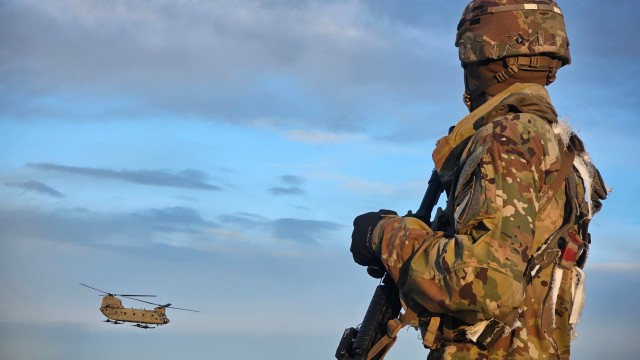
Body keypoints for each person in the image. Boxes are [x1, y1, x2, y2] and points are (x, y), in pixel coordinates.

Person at [349, 1, 608, 359]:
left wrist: (383, 236)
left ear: (481, 52)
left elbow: (485, 283)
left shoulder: (509, 137)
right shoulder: (557, 145)